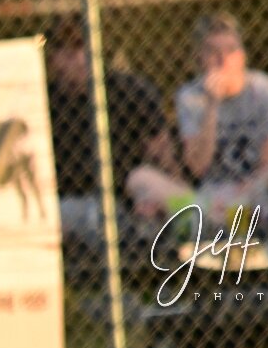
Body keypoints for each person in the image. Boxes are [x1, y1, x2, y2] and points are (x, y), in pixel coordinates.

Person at [127, 12, 268, 229]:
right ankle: (211, 220)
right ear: (199, 58)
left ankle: (217, 221)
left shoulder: (267, 91)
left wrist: (241, 194)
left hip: (251, 192)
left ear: (242, 56)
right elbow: (198, 166)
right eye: (212, 51)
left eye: (231, 50)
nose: (223, 59)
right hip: (208, 198)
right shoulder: (190, 96)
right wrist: (211, 105)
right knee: (139, 178)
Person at [44, 15, 178, 258]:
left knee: (146, 185)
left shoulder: (129, 90)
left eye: (82, 47)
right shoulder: (45, 102)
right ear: (53, 59)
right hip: (69, 205)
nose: (78, 58)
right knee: (69, 214)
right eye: (67, 52)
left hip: (127, 201)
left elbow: (164, 157)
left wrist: (154, 197)